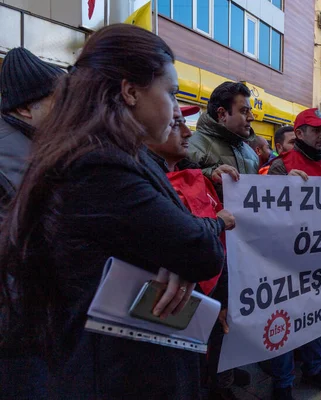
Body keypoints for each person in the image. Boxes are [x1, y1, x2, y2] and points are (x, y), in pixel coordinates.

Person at [0, 24, 226, 398]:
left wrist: (170, 253)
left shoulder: (122, 152)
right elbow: (201, 252)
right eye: (170, 92)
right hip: (115, 372)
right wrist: (178, 253)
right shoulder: (98, 164)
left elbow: (175, 238)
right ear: (130, 91)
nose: (175, 113)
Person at [145, 105, 242, 400]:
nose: (188, 132)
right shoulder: (144, 183)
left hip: (209, 293)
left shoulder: (198, 176)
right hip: (170, 304)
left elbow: (221, 244)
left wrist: (223, 297)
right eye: (176, 125)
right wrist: (215, 223)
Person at [0, 45, 65, 399]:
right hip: (19, 323)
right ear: (26, 108)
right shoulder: (17, 159)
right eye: (60, 102)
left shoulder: (34, 146)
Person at [267, 108, 321, 400]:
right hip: (287, 260)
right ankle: (283, 383)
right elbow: (266, 213)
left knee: (314, 317)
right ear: (299, 134)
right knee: (285, 320)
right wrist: (285, 187)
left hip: (319, 256)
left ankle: (314, 368)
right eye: (316, 130)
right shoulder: (281, 166)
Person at [0, 47, 65, 217]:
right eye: (59, 101)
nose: (69, 109)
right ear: (24, 108)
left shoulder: (40, 142)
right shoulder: (10, 164)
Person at [188, 81, 259, 200]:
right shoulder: (191, 146)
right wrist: (210, 174)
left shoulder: (252, 155)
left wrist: (288, 181)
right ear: (222, 114)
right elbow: (178, 183)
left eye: (250, 111)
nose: (251, 117)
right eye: (244, 111)